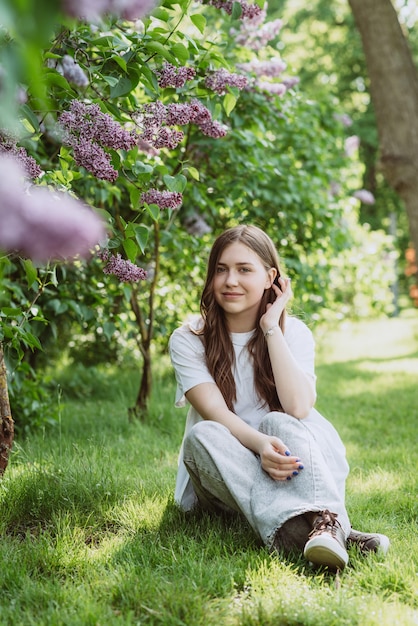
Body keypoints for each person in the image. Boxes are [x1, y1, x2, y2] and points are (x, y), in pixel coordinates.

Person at [169, 225, 389, 570]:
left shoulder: (294, 333)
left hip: (291, 462)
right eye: (221, 269)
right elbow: (215, 412)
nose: (230, 281)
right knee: (201, 436)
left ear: (270, 276)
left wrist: (271, 327)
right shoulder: (188, 338)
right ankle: (331, 530)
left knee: (281, 420)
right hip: (228, 466)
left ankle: (308, 532)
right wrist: (259, 446)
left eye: (244, 270)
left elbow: (299, 406)